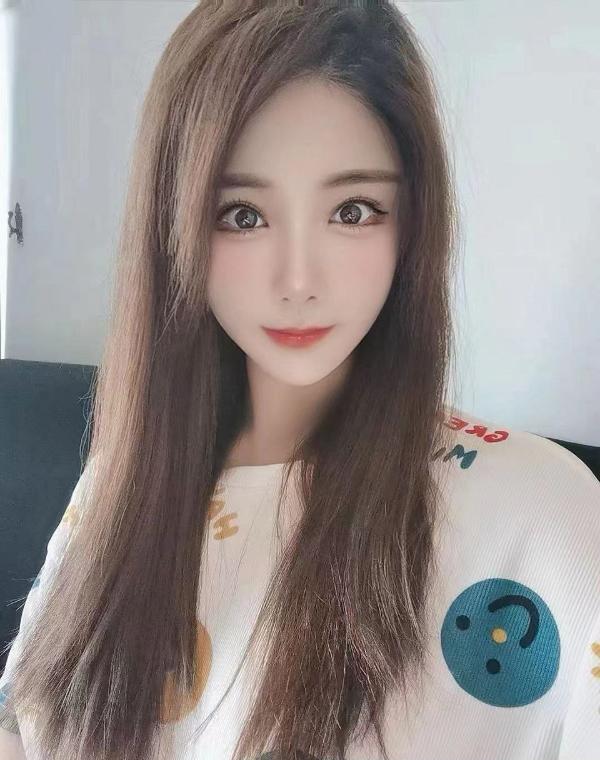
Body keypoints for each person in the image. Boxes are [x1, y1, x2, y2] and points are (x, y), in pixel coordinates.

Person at [1, 2, 599, 759]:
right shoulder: (118, 485)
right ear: (174, 230)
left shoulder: (542, 515)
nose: (297, 280)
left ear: (413, 224)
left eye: (352, 210)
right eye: (242, 215)